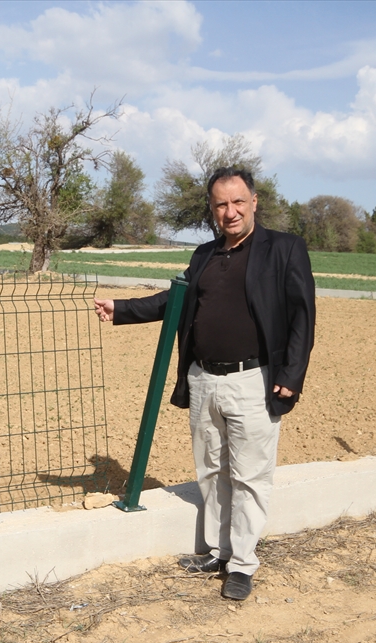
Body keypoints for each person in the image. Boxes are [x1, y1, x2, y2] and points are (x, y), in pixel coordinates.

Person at [93, 166, 315, 600]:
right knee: (212, 470)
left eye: (237, 202)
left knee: (250, 476)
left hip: (253, 379)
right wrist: (121, 308)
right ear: (212, 210)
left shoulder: (284, 250)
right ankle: (219, 550)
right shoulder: (205, 255)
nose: (230, 212)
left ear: (254, 202)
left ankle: (243, 565)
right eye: (221, 205)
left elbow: (303, 316)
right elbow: (174, 299)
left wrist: (291, 375)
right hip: (203, 381)